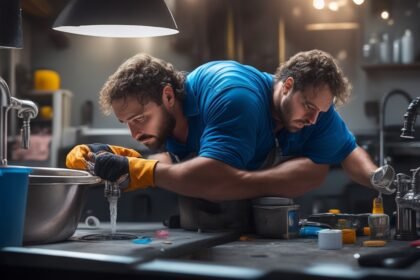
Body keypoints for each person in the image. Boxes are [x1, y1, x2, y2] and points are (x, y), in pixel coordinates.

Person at [66, 50, 394, 209]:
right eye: (128, 124)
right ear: (287, 86)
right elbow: (180, 164)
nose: (313, 119)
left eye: (139, 119)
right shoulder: (200, 107)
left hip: (248, 218)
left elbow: (347, 151)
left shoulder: (237, 99)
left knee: (314, 168)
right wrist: (119, 161)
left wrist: (381, 179)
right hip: (218, 218)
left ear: (168, 97)